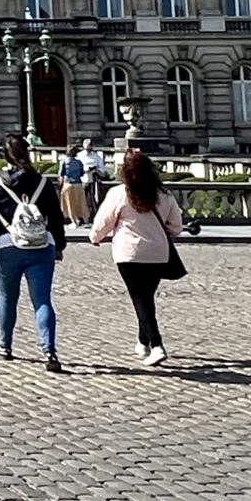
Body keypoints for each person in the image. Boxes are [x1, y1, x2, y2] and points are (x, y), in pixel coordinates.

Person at [0, 134, 70, 372]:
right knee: (42, 300)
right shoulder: (42, 182)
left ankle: (5, 344)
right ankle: (49, 351)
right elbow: (56, 217)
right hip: (41, 246)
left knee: (7, 297)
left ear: (5, 155)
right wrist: (59, 246)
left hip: (6, 246)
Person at [88, 147, 185, 367]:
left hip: (128, 254)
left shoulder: (119, 193)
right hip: (157, 253)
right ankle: (143, 341)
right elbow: (176, 227)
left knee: (141, 299)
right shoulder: (164, 194)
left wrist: (95, 237)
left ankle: (157, 344)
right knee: (146, 297)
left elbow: (104, 221)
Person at [58, 142, 91, 225]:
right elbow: (82, 173)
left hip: (68, 184)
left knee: (69, 204)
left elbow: (61, 174)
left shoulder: (64, 162)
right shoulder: (79, 162)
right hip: (78, 184)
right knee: (81, 203)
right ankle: (84, 218)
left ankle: (73, 219)